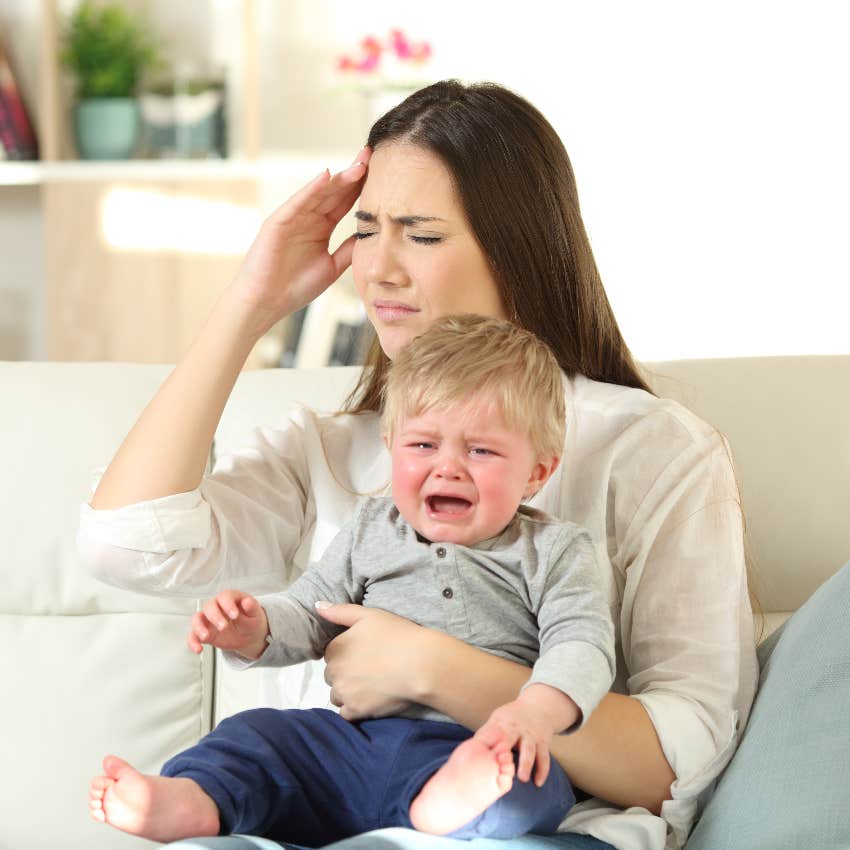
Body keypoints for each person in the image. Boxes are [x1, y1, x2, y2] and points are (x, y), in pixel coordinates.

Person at [78, 79, 758, 850]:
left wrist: (432, 666)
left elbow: (681, 760)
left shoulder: (650, 447)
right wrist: (250, 302)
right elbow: (125, 545)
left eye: (422, 236)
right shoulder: (327, 449)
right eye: (366, 231)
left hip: (530, 828)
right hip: (320, 815)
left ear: (517, 248)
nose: (379, 270)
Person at [88, 315, 616, 845]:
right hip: (350, 744)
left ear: (537, 472)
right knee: (257, 735)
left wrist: (534, 713)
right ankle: (192, 799)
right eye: (423, 445)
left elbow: (582, 644)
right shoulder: (370, 528)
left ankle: (446, 806)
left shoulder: (554, 550)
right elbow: (312, 611)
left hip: (470, 743)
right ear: (391, 444)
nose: (448, 468)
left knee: (533, 784)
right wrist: (255, 628)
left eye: (480, 450)